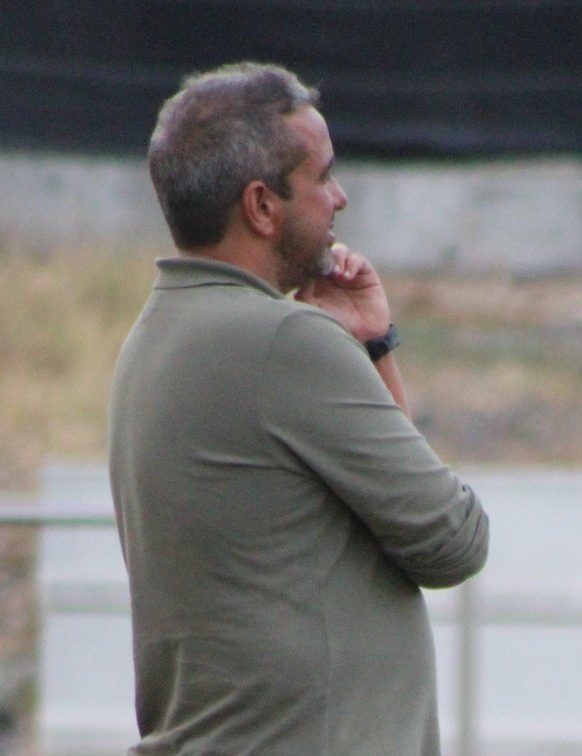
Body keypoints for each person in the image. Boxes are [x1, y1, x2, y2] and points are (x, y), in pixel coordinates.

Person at [108, 62, 489, 756]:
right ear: (261, 206)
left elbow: (400, 515)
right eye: (323, 176)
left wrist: (370, 345)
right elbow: (450, 538)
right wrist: (364, 347)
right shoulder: (284, 341)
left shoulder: (155, 335)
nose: (340, 198)